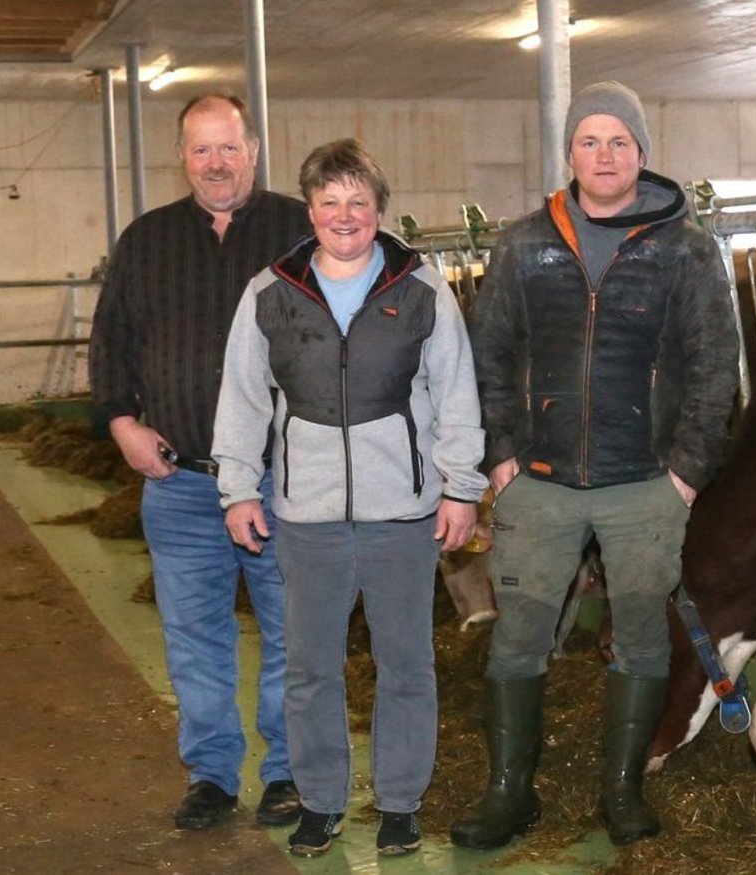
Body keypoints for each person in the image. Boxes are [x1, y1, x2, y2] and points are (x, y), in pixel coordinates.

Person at [451, 81, 739, 849]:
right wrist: (501, 455)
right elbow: (487, 354)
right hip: (538, 483)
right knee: (519, 634)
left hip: (645, 484)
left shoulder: (685, 249)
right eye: (589, 140)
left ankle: (623, 787)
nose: (604, 155)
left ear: (642, 152)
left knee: (641, 633)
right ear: (569, 153)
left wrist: (686, 473)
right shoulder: (523, 245)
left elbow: (715, 363)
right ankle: (509, 792)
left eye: (619, 141)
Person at [212, 138, 486, 859]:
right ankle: (321, 800)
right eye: (329, 201)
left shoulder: (421, 289)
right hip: (307, 517)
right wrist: (237, 488)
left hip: (403, 513)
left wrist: (461, 487)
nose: (344, 214)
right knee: (310, 668)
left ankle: (399, 803)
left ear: (378, 210)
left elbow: (456, 393)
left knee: (406, 663)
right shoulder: (270, 292)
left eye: (358, 201)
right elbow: (242, 397)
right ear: (310, 210)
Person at [87, 93, 311, 832]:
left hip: (284, 481)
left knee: (293, 631)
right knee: (193, 635)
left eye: (229, 147)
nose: (216, 163)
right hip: (181, 481)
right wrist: (122, 423)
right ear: (181, 157)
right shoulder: (146, 240)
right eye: (201, 149)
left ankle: (289, 772)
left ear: (254, 150)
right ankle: (212, 774)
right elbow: (111, 342)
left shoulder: (299, 231)